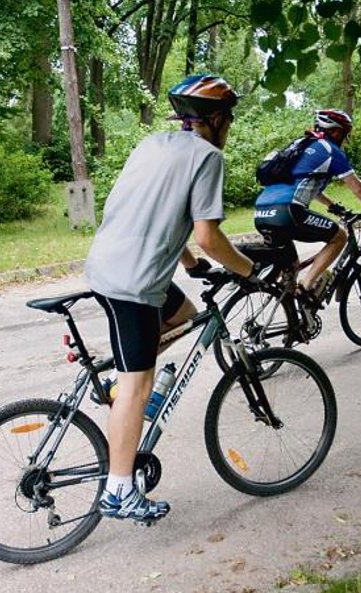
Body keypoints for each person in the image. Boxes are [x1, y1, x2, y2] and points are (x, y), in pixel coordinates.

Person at [84, 74, 257, 523]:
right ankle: (119, 491)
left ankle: (119, 384)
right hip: (134, 283)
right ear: (217, 119)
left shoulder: (152, 145)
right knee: (138, 385)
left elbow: (161, 213)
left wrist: (190, 266)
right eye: (230, 118)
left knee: (186, 314)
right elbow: (208, 235)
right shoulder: (208, 158)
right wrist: (247, 270)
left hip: (110, 266)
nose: (231, 125)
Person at [252, 108, 361, 300]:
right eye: (345, 134)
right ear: (335, 131)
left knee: (290, 269)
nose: (345, 139)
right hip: (288, 212)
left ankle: (293, 323)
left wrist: (332, 205)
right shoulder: (330, 150)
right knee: (339, 237)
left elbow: (308, 184)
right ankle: (307, 286)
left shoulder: (298, 146)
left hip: (261, 213)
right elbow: (358, 189)